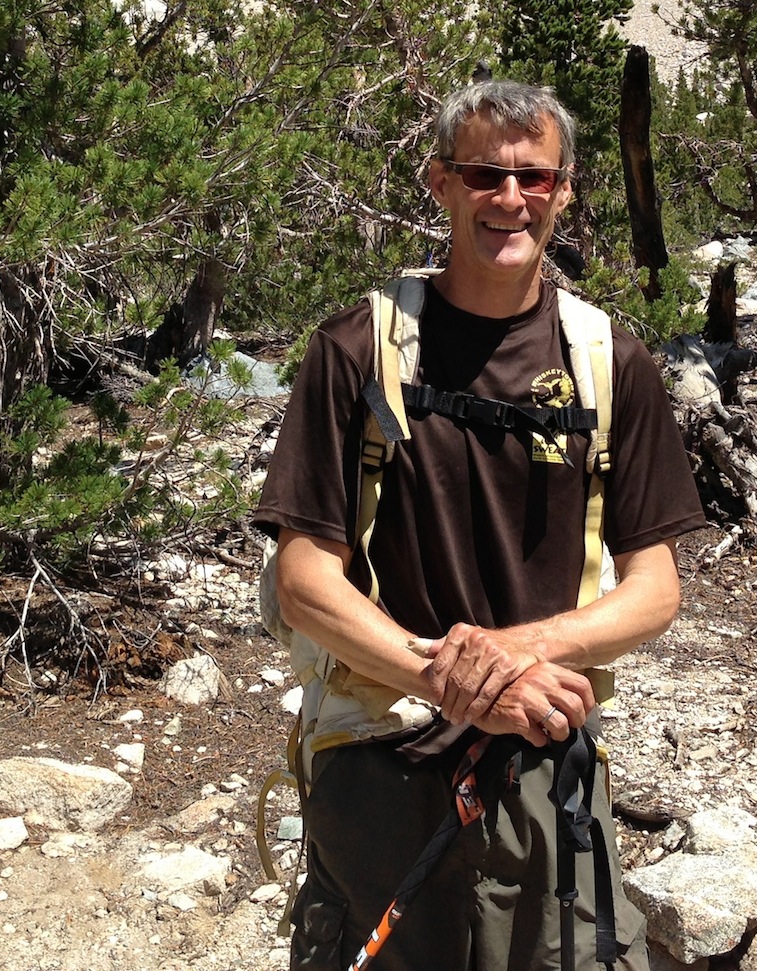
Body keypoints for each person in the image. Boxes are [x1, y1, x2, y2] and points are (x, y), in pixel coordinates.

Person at [254, 80, 706, 971]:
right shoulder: (356, 349)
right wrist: (448, 678)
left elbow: (654, 591)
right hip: (381, 751)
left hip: (544, 757)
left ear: (566, 190)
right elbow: (306, 580)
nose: (511, 200)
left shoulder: (610, 362)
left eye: (535, 179)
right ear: (441, 184)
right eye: (484, 176)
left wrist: (510, 659)